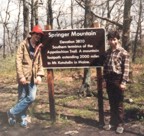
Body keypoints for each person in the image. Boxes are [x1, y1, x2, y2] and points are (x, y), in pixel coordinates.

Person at [7, 25, 45, 127]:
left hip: (33, 78)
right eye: (36, 34)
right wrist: (21, 76)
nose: (38, 36)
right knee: (22, 98)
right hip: (24, 77)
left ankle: (12, 112)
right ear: (32, 34)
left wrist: (40, 75)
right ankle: (22, 118)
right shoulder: (23, 45)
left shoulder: (38, 47)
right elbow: (18, 61)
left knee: (31, 97)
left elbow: (40, 63)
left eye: (39, 35)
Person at [103, 30, 130, 134]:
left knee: (119, 103)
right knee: (111, 102)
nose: (112, 41)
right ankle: (112, 122)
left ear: (118, 40)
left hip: (118, 79)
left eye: (114, 39)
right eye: (110, 39)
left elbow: (126, 69)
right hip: (109, 79)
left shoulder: (123, 53)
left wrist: (123, 82)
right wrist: (104, 80)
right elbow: (105, 67)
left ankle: (120, 124)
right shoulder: (107, 52)